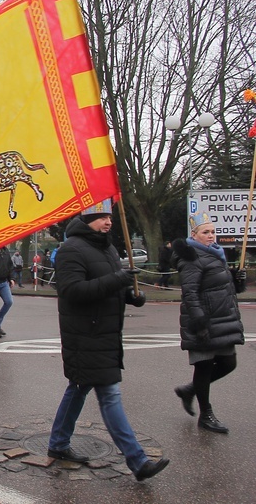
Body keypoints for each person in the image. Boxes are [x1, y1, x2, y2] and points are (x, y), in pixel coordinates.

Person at [47, 199, 169, 481]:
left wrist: (132, 296)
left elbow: (110, 285)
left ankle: (57, 443)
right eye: (102, 217)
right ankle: (137, 461)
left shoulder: (109, 248)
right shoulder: (70, 250)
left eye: (110, 217)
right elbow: (72, 290)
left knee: (78, 388)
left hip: (104, 335)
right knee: (109, 395)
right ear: (88, 219)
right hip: (85, 335)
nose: (109, 222)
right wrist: (118, 281)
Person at [171, 212, 246, 433]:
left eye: (213, 231)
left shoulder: (215, 254)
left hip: (220, 320)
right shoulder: (192, 258)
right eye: (206, 232)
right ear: (194, 235)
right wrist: (199, 323)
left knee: (228, 363)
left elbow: (220, 286)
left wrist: (236, 279)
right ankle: (206, 415)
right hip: (202, 322)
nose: (211, 236)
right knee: (203, 367)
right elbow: (190, 293)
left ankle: (189, 390)